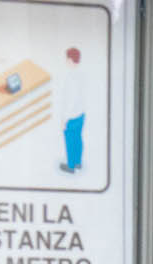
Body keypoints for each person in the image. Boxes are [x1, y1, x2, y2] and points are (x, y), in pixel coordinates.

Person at [58, 47, 86, 175]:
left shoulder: (70, 77)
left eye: (66, 59)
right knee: (78, 139)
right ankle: (78, 162)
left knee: (70, 141)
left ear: (69, 60)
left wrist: (64, 119)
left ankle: (70, 166)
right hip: (81, 114)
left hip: (71, 116)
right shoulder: (81, 75)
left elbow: (70, 100)